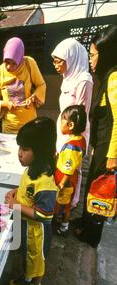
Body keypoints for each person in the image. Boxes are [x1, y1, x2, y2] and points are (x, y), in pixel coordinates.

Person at [4, 117, 57, 285]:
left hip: (37, 234)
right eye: (20, 148)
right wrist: (15, 193)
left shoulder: (45, 184)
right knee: (25, 256)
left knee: (37, 261)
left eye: (25, 150)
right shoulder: (30, 170)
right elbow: (26, 191)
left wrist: (14, 205)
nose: (19, 154)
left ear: (40, 151)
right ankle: (25, 278)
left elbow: (45, 215)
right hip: (24, 226)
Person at [75, 26, 117, 247]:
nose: (91, 60)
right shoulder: (107, 76)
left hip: (107, 149)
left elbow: (116, 121)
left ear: (106, 53)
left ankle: (91, 235)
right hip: (100, 146)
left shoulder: (114, 77)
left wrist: (111, 157)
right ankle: (85, 222)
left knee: (100, 191)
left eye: (93, 55)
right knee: (92, 185)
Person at [52, 38, 93, 207]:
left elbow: (80, 113)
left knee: (72, 171)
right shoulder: (68, 76)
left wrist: (70, 139)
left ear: (71, 59)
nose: (55, 65)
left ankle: (69, 208)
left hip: (75, 134)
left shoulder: (83, 80)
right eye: (54, 61)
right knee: (61, 168)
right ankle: (59, 205)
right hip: (64, 130)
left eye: (58, 61)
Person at [0, 37, 46, 134]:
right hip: (9, 126)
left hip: (29, 124)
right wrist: (6, 104)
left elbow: (41, 85)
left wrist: (34, 97)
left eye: (13, 63)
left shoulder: (29, 63)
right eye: (7, 62)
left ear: (20, 59)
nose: (9, 67)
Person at [54, 105, 87, 236]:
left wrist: (62, 183)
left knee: (64, 204)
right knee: (65, 203)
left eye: (62, 120)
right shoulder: (81, 140)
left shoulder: (71, 147)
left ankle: (63, 228)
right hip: (72, 178)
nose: (60, 123)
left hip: (65, 180)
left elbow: (68, 168)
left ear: (71, 125)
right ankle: (62, 222)